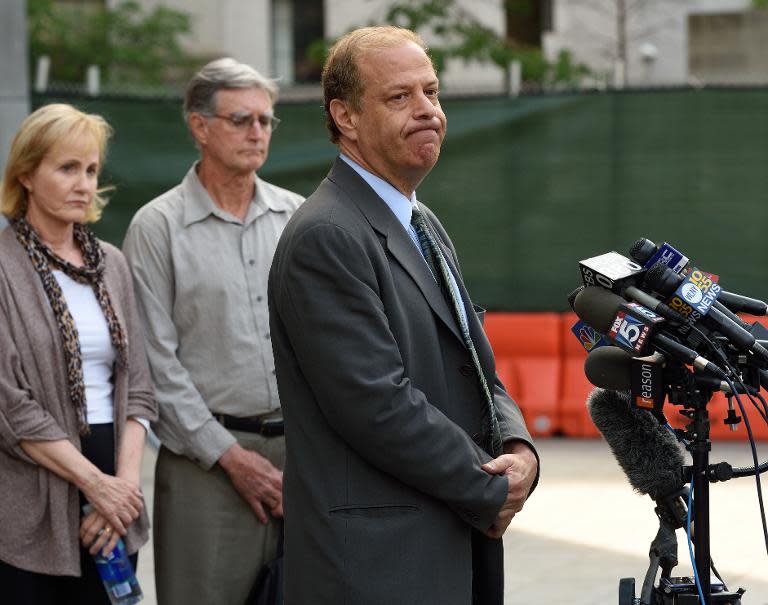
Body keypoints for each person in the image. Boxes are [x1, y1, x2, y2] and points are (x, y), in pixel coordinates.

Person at [268, 26, 540, 605]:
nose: (427, 111)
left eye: (432, 93)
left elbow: (474, 363)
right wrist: (488, 489)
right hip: (375, 568)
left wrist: (519, 451)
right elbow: (376, 404)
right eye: (400, 97)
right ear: (344, 116)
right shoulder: (327, 235)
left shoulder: (422, 222)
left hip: (444, 546)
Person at [122, 58, 304, 605]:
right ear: (200, 127)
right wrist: (230, 457)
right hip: (205, 468)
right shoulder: (157, 227)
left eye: (267, 121)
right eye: (241, 119)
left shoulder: (297, 218)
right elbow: (155, 363)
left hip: (301, 459)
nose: (258, 132)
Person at [0, 103, 157, 604]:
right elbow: (9, 403)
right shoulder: (4, 267)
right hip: (34, 492)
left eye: (90, 170)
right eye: (67, 168)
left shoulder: (109, 263)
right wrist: (94, 485)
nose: (84, 183)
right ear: (26, 173)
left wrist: (122, 491)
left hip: (115, 481)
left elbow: (139, 385)